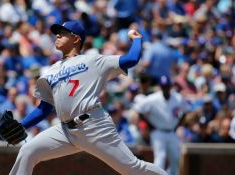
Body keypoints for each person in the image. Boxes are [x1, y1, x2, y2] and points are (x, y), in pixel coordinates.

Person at [9, 21, 167, 175]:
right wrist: (22, 125)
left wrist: (137, 40)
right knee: (28, 151)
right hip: (65, 131)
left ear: (76, 39)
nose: (57, 35)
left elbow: (131, 59)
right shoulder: (51, 71)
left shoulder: (94, 60)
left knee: (132, 168)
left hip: (94, 125)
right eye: (57, 33)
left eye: (63, 33)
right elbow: (44, 108)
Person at [134, 75, 188, 175]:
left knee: (176, 158)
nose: (165, 88)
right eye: (163, 86)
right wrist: (150, 126)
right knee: (160, 159)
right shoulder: (153, 98)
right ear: (160, 86)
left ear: (170, 86)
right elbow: (139, 109)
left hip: (172, 132)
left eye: (167, 86)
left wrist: (177, 125)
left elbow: (185, 110)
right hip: (158, 132)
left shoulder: (177, 97)